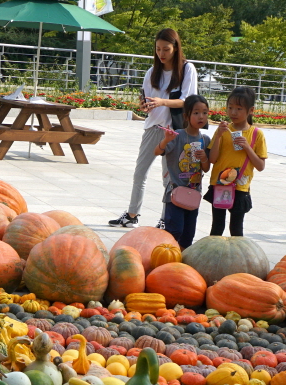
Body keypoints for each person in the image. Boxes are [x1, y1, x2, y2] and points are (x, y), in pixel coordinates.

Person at [109, 28, 197, 229]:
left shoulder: (187, 69)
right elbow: (149, 103)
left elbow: (188, 101)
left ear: (175, 48)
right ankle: (132, 214)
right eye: (158, 49)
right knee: (140, 173)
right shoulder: (152, 72)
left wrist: (162, 102)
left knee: (170, 178)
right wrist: (146, 106)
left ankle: (166, 219)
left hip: (174, 131)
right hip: (152, 128)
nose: (161, 54)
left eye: (166, 49)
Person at [205, 86, 267, 237]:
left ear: (250, 110)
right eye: (230, 107)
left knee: (236, 230)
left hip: (240, 187)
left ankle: (238, 261)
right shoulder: (223, 130)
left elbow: (260, 166)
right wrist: (219, 136)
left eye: (239, 108)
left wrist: (247, 146)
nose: (233, 112)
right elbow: (212, 159)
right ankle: (213, 258)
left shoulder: (256, 134)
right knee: (217, 228)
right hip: (219, 184)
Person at [155, 95, 210, 249]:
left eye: (205, 112)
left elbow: (206, 168)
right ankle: (166, 259)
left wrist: (205, 158)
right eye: (196, 112)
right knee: (174, 231)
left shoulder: (205, 140)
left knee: (188, 235)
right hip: (175, 194)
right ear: (186, 116)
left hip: (193, 194)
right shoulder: (177, 136)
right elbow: (157, 151)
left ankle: (181, 264)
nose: (201, 116)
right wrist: (166, 139)